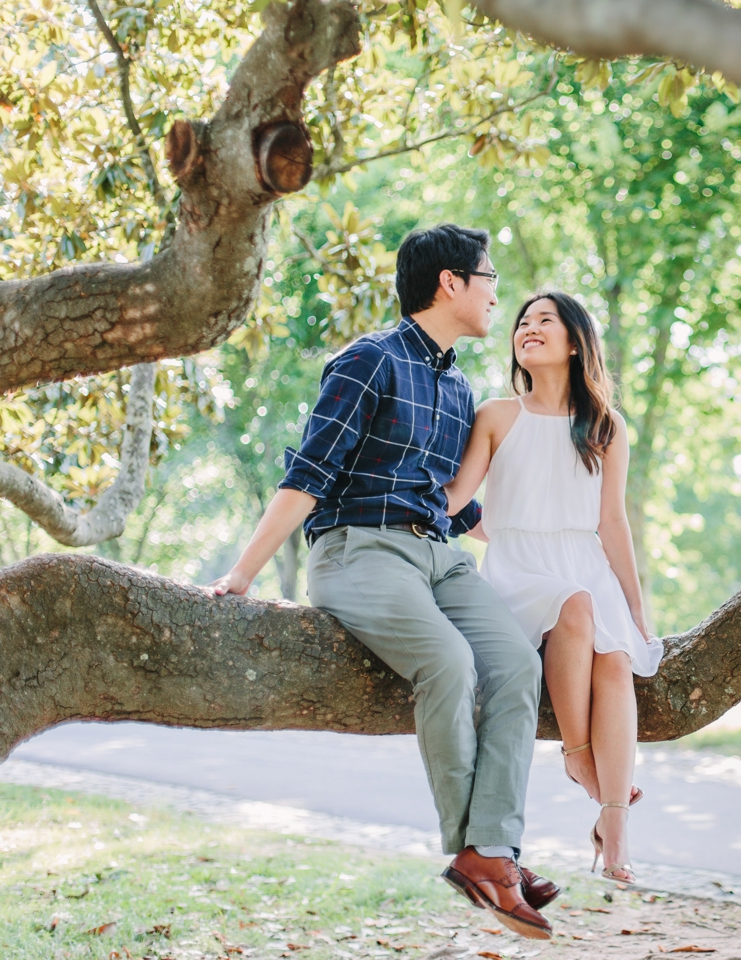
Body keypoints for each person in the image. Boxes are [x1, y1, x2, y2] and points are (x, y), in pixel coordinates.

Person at [210, 224, 556, 940]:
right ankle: (482, 857)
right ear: (451, 283)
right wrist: (242, 573)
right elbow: (308, 476)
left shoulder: (461, 387)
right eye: (489, 278)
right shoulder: (367, 361)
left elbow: (453, 503)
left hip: (439, 556)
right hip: (357, 552)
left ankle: (490, 848)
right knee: (449, 663)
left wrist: (557, 537)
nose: (500, 295)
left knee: (520, 663)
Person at [446, 291, 662, 883]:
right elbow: (456, 499)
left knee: (616, 659)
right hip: (519, 566)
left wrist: (638, 610)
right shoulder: (496, 415)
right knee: (575, 604)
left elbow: (612, 523)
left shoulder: (607, 427)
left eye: (545, 321)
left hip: (585, 562)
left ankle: (613, 826)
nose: (528, 328)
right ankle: (579, 758)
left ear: (575, 342)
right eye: (522, 322)